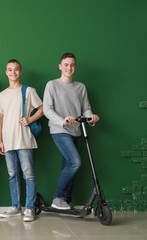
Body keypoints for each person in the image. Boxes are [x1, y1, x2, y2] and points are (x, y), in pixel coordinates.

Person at [43, 52, 100, 210]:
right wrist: (62, 121)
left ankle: (67, 199)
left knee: (68, 164)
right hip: (59, 130)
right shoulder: (52, 85)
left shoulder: (80, 87)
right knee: (75, 162)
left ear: (75, 67)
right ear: (60, 66)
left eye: (72, 65)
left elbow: (86, 108)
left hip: (76, 131)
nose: (69, 67)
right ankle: (58, 197)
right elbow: (47, 109)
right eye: (66, 64)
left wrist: (91, 118)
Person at [0, 59, 43, 222]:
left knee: (28, 175)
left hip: (24, 139)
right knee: (12, 174)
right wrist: (0, 140)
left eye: (16, 69)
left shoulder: (28, 91)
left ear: (20, 72)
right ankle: (16, 207)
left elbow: (42, 109)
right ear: (6, 72)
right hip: (8, 141)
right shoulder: (1, 95)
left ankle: (29, 208)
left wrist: (29, 120)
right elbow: (0, 118)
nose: (13, 72)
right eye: (10, 70)